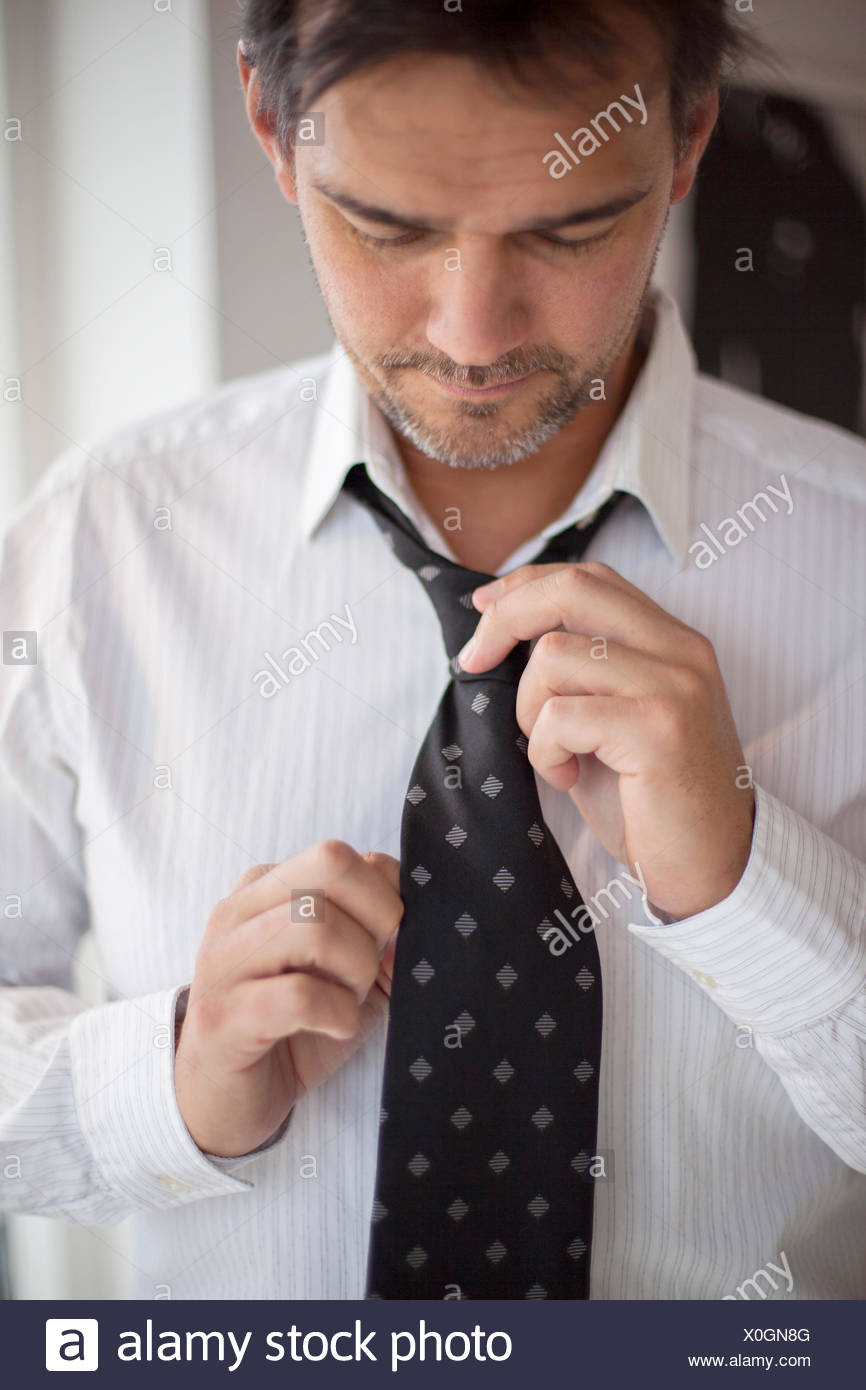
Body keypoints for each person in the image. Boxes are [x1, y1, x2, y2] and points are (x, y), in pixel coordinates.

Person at [1, 0, 864, 1300]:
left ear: (686, 139)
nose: (471, 335)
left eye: (567, 229)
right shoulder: (97, 541)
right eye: (387, 227)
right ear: (271, 130)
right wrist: (166, 1080)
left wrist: (752, 888)